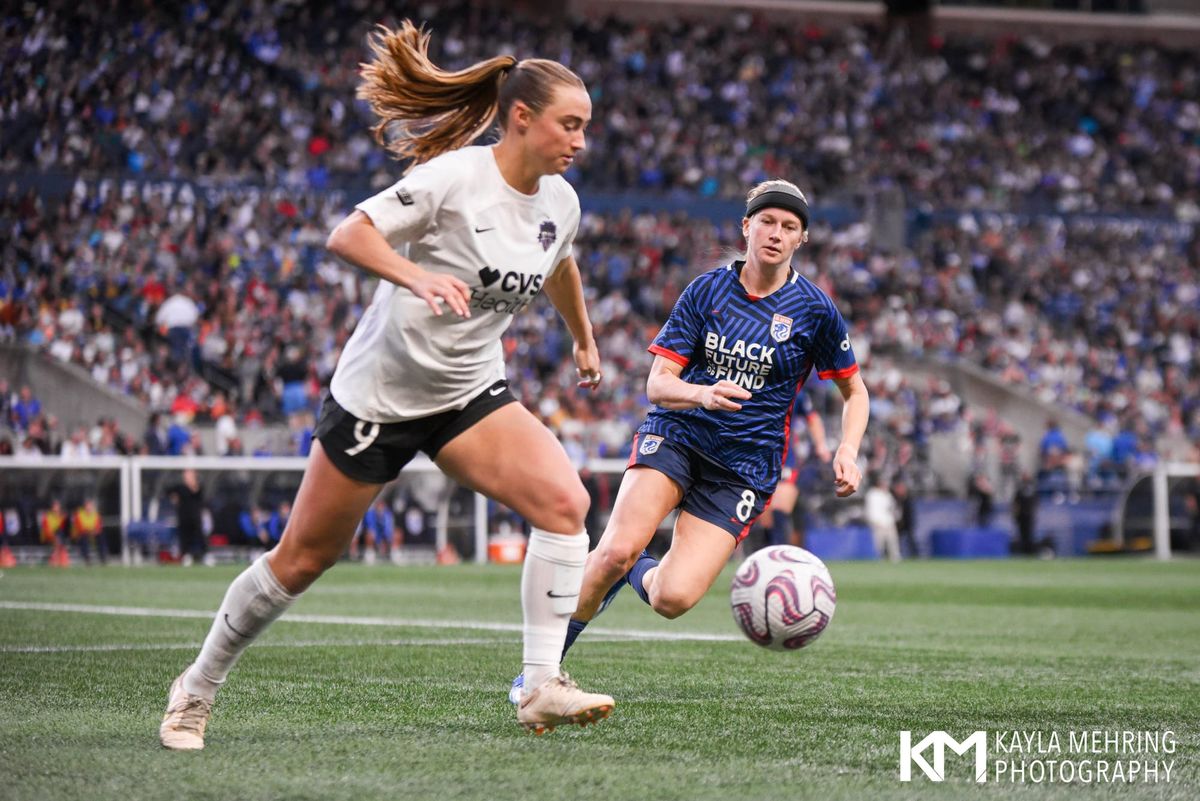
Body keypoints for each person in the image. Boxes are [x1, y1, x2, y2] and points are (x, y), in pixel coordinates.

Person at [160, 21, 612, 749]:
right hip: (380, 398)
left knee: (566, 504)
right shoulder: (453, 178)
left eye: (586, 126)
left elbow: (559, 262)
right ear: (521, 118)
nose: (581, 140)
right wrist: (415, 273)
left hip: (467, 394)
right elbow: (349, 234)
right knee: (302, 559)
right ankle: (197, 686)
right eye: (571, 124)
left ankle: (539, 685)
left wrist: (583, 337)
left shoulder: (561, 202)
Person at [510, 179, 869, 699]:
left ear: (801, 241)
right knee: (613, 550)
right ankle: (538, 675)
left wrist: (848, 449)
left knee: (672, 599)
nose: (775, 233)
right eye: (766, 221)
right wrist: (702, 394)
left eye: (789, 227)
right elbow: (658, 384)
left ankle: (632, 568)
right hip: (678, 434)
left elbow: (855, 391)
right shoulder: (706, 291)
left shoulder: (814, 311)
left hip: (744, 468)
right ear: (746, 227)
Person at [761, 389, 830, 547]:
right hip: (754, 460)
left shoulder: (794, 391)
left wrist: (821, 445)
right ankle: (766, 561)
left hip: (785, 460)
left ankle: (782, 561)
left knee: (780, 512)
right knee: (765, 521)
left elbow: (812, 418)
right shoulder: (749, 384)